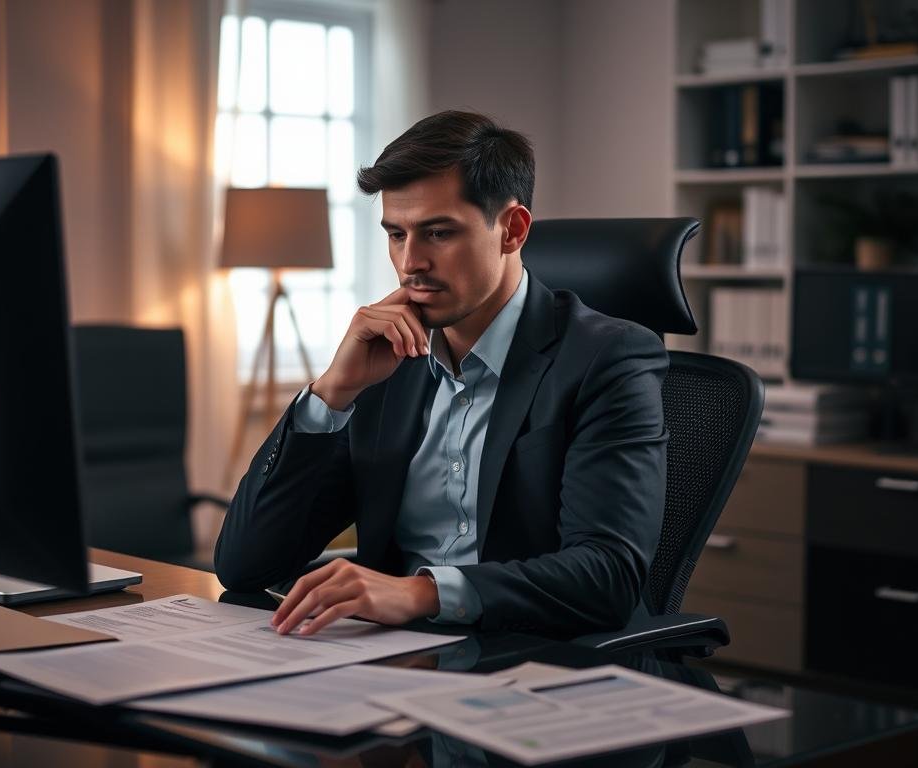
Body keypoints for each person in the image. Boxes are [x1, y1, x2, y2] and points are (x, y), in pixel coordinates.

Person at [214, 110, 669, 637]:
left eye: (438, 233)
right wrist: (332, 393)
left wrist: (419, 592)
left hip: (535, 661)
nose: (411, 263)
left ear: (512, 230)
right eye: (396, 235)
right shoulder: (386, 364)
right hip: (390, 660)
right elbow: (245, 566)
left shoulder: (608, 360)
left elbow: (607, 576)